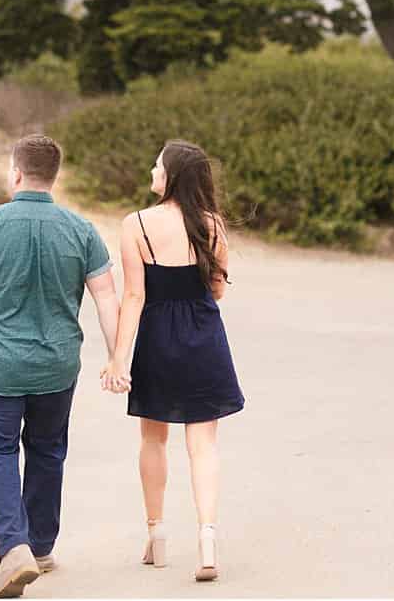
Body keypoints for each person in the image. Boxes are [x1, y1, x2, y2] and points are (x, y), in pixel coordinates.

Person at [0, 134, 122, 599]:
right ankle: (40, 547)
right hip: (56, 367)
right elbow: (107, 298)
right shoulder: (81, 230)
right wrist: (115, 355)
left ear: (16, 172)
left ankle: (14, 549)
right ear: (54, 176)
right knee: (47, 451)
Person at [101, 139, 244, 584]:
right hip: (203, 337)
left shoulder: (135, 225)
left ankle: (156, 534)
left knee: (153, 440)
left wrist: (119, 359)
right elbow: (217, 287)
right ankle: (206, 541)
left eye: (157, 164)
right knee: (203, 445)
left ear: (172, 175)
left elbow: (134, 295)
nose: (151, 169)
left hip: (157, 340)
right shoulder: (213, 225)